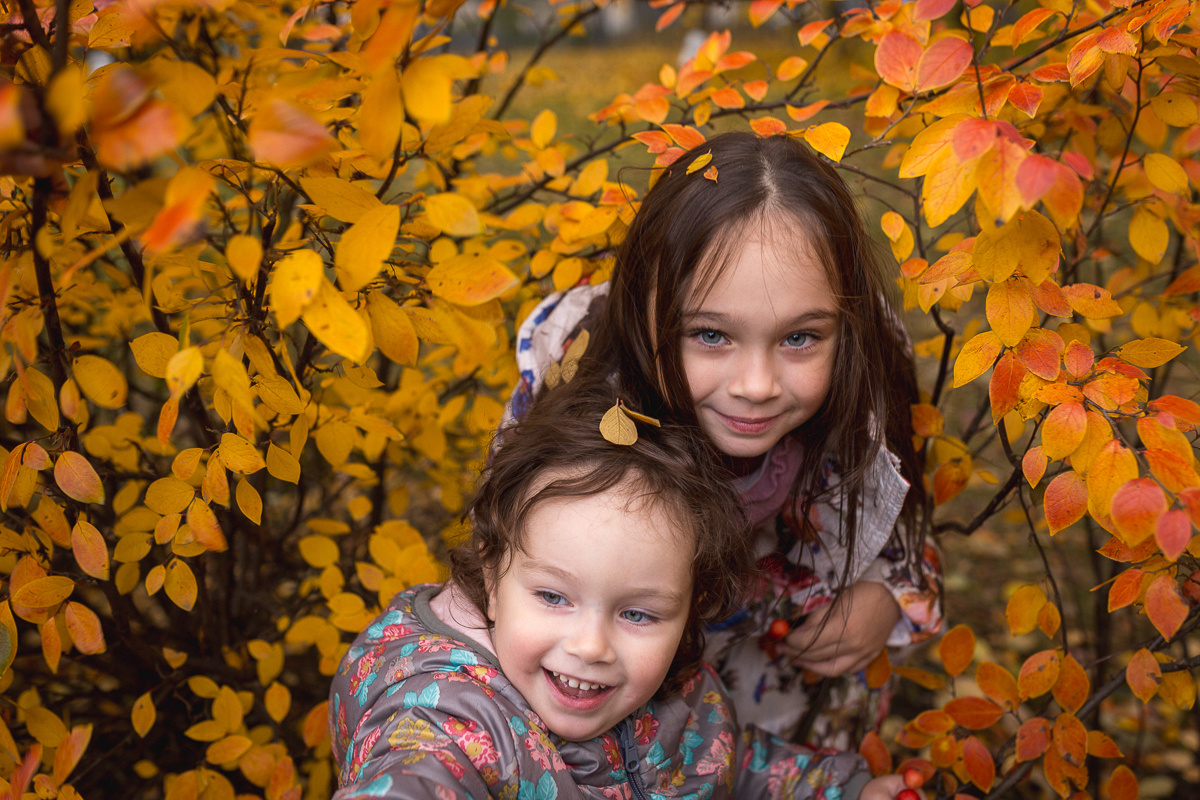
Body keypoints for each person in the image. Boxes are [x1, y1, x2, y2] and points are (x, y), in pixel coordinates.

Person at [505, 132, 943, 746]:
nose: (758, 386)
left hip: (791, 734)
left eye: (799, 338)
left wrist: (890, 594)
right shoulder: (576, 391)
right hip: (613, 744)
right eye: (711, 335)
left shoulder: (859, 376)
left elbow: (902, 513)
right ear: (643, 312)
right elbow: (500, 578)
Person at [330, 383, 918, 799]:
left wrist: (846, 787)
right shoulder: (449, 717)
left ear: (691, 610)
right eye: (553, 597)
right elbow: (416, 775)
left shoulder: (677, 691)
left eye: (638, 613)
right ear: (492, 574)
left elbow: (725, 766)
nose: (590, 646)